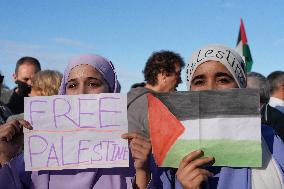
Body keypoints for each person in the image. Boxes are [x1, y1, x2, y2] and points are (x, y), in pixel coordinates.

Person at [0, 54, 152, 189]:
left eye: (92, 84)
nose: (81, 93)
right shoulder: (40, 152)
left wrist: (142, 172)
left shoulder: (133, 153)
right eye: (72, 85)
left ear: (111, 89)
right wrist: (5, 157)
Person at [156, 45, 284, 189]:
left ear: (240, 86)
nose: (210, 89)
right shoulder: (173, 149)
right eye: (199, 81)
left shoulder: (269, 140)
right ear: (190, 89)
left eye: (223, 80)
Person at [128, 50, 185, 136]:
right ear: (163, 74)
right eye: (177, 74)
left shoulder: (132, 97)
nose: (180, 81)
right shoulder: (153, 105)